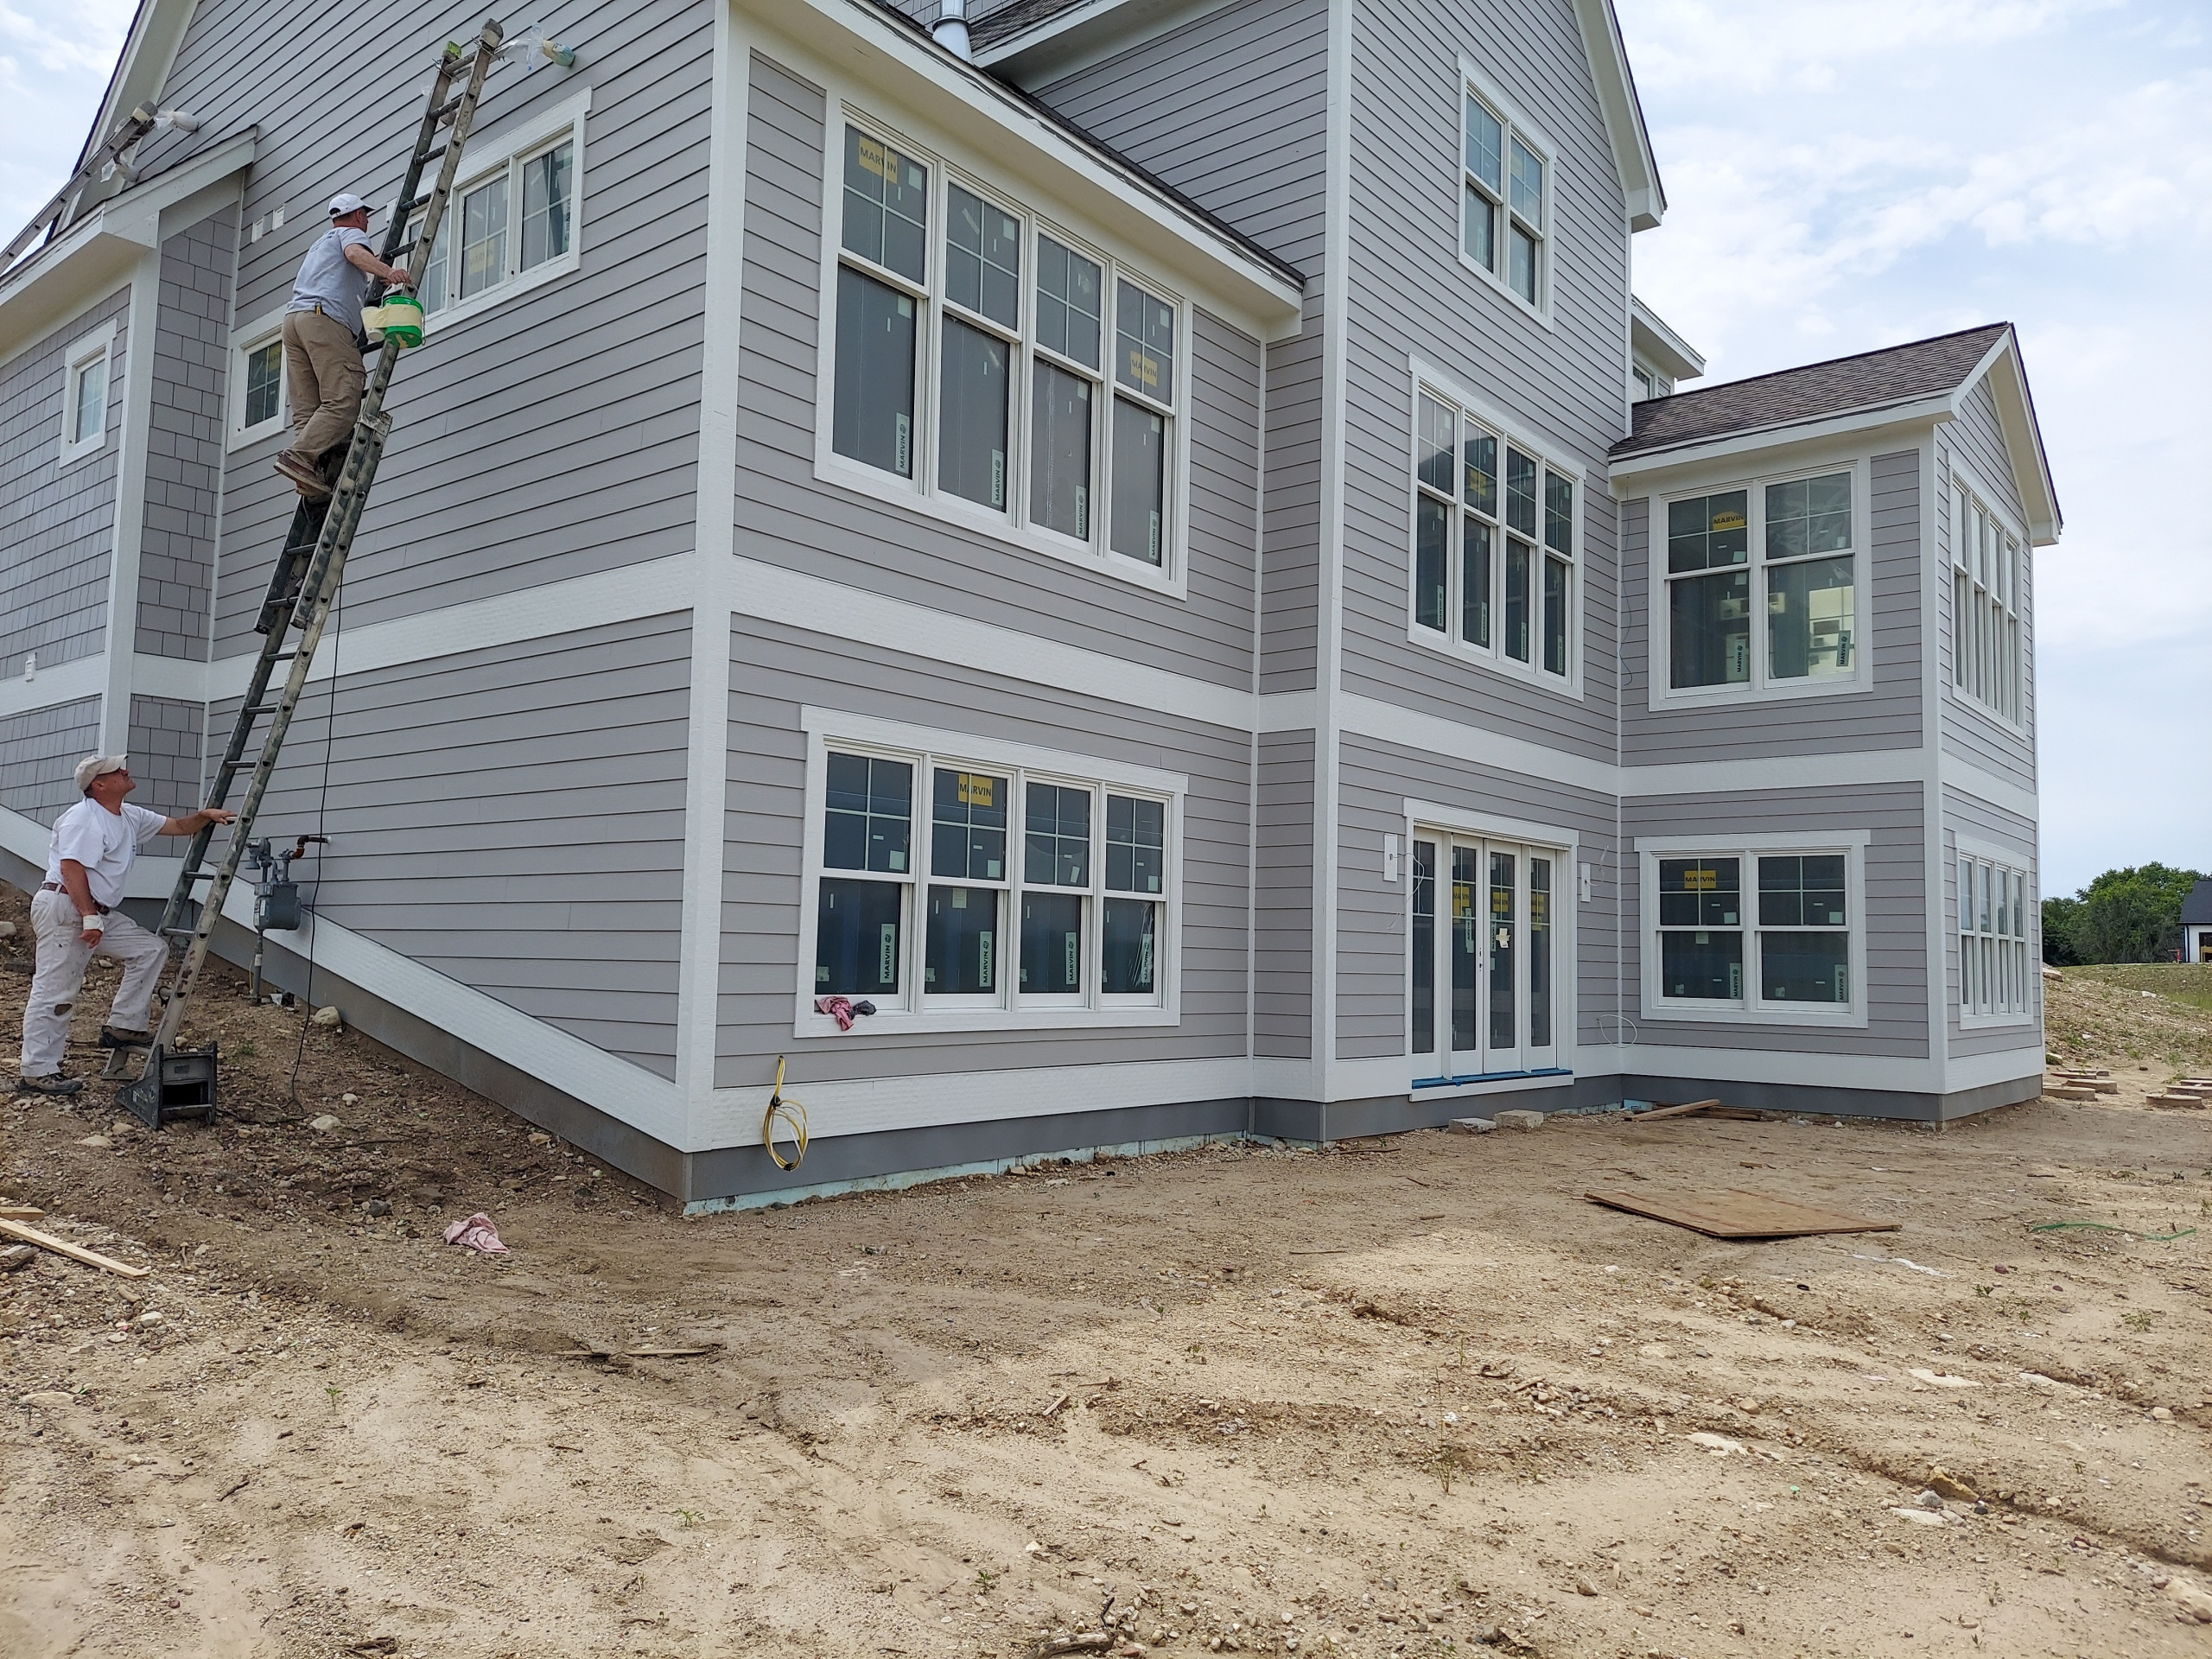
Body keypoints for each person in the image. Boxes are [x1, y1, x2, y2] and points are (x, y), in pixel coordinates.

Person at [16, 757, 238, 1097]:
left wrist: (205, 816)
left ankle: (124, 1026)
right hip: (67, 907)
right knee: (55, 991)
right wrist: (89, 917)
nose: (125, 771)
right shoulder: (84, 819)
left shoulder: (128, 815)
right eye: (117, 771)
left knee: (150, 950)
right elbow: (71, 868)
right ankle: (37, 1072)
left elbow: (178, 826)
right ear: (99, 785)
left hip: (95, 910)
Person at [272, 192, 414, 499]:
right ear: (359, 215)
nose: (367, 221)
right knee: (344, 399)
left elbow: (343, 272)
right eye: (366, 216)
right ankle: (299, 456)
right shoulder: (350, 234)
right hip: (323, 320)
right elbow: (354, 254)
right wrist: (388, 272)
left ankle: (306, 475)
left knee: (309, 410)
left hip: (294, 322)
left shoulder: (320, 244)